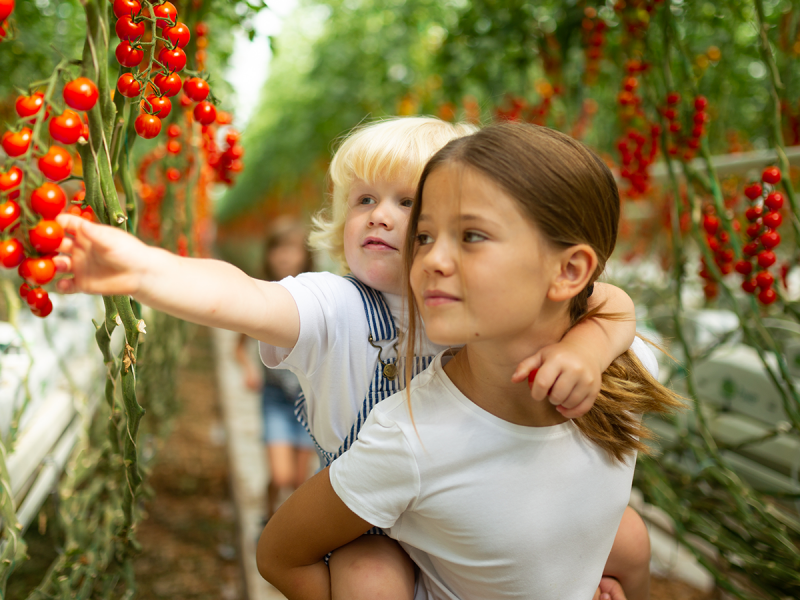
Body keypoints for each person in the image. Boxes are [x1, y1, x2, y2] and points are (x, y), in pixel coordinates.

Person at [54, 117, 644, 599]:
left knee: (627, 536)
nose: (380, 215)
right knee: (370, 576)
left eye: (407, 202)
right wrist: (145, 271)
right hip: (366, 517)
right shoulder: (337, 304)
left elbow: (608, 300)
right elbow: (244, 296)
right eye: (364, 199)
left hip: (454, 519)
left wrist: (585, 348)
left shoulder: (475, 309)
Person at [256, 121, 684, 600]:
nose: (433, 260)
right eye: (423, 237)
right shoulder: (410, 439)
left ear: (569, 270)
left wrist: (591, 348)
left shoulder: (629, 370)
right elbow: (279, 553)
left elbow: (609, 302)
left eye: (472, 235)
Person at [234, 219, 317, 521]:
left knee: (299, 480)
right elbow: (239, 345)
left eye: (291, 250)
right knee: (281, 476)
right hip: (275, 398)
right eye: (277, 249)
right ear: (268, 254)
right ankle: (268, 516)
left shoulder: (315, 296)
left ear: (305, 256)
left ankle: (284, 527)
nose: (283, 257)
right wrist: (249, 370)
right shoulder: (261, 295)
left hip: (309, 402)